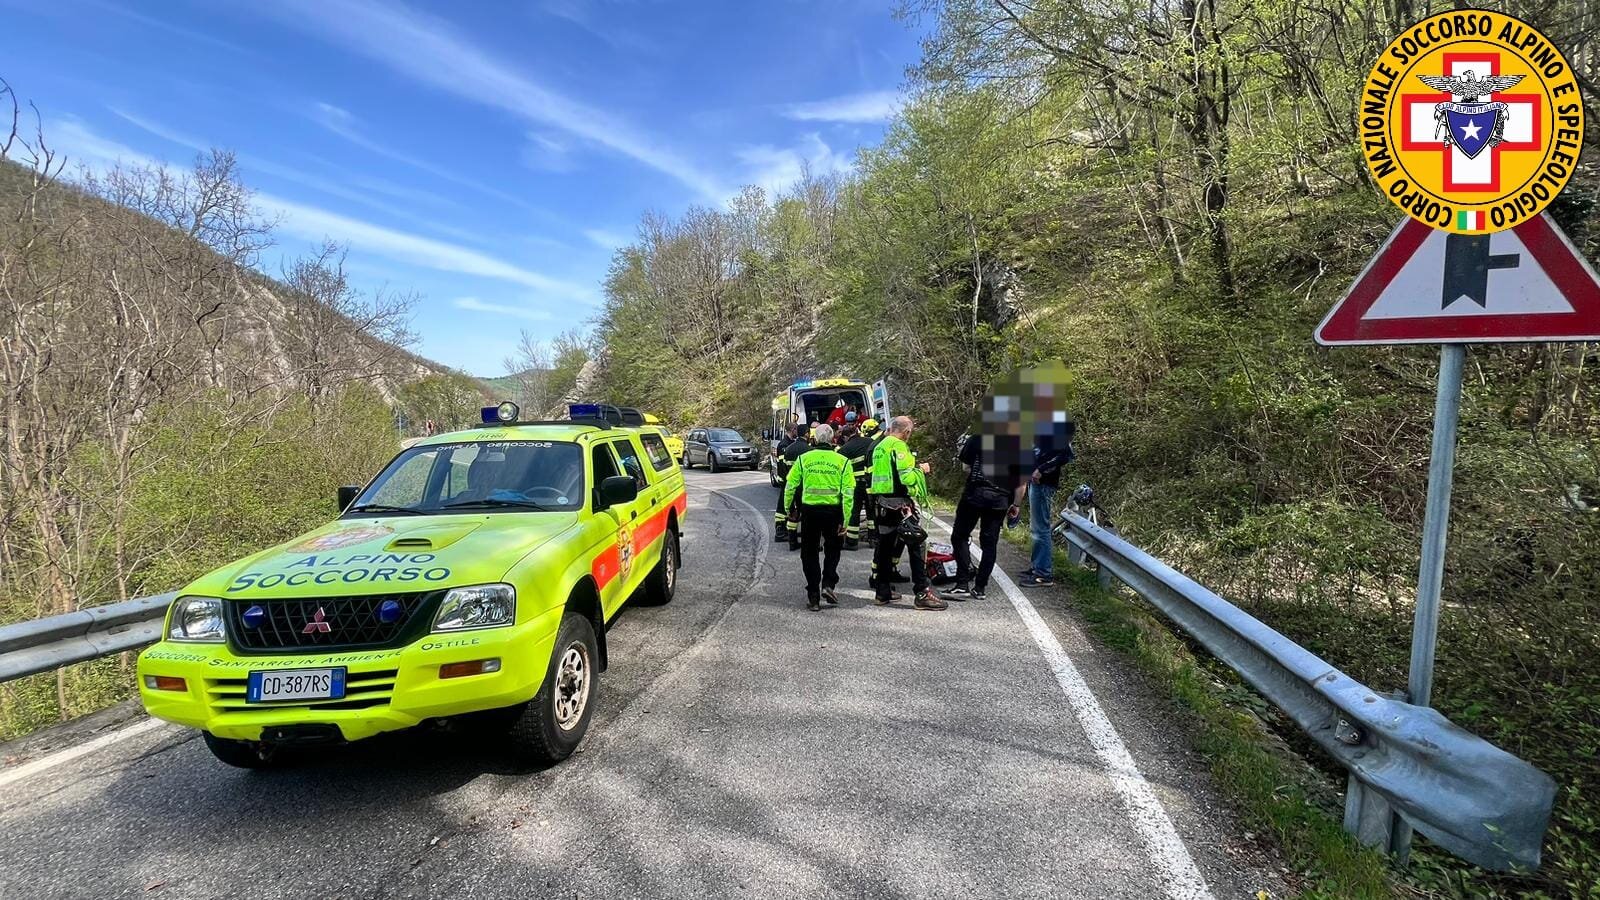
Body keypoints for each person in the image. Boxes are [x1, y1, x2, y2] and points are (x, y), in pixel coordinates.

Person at [868, 416, 944, 611]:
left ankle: (882, 591)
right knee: (917, 545)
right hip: (899, 505)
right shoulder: (899, 446)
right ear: (906, 432)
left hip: (881, 503)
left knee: (885, 548)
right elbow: (906, 477)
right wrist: (921, 469)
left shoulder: (879, 447)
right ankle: (922, 591)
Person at [944, 431, 1026, 601]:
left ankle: (962, 584)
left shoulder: (979, 438)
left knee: (960, 536)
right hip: (1000, 499)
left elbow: (966, 467)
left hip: (975, 494)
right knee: (989, 543)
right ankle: (980, 587)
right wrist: (1016, 505)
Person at [783, 423, 853, 611]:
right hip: (834, 512)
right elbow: (848, 493)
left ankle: (813, 594)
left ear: (814, 438)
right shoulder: (843, 461)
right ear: (833, 439)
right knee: (833, 549)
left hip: (810, 512)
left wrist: (788, 508)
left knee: (809, 552)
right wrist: (845, 520)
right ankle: (828, 584)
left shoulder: (804, 459)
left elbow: (790, 486)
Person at [1019, 422, 1076, 587]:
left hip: (1044, 483)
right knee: (1036, 527)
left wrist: (1042, 469)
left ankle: (1043, 573)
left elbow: (1066, 454)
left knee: (1041, 529)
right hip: (1036, 482)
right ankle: (1037, 566)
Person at [834, 419, 877, 551]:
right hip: (871, 483)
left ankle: (852, 541)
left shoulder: (844, 449)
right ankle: (874, 539)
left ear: (846, 437)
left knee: (854, 512)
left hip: (856, 485)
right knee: (871, 512)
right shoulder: (871, 442)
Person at [781, 424, 812, 550]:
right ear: (806, 434)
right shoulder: (809, 451)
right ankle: (806, 542)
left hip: (792, 486)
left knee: (792, 514)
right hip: (804, 488)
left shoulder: (789, 449)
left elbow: (784, 469)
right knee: (805, 516)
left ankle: (792, 541)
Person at [773, 424, 800, 542]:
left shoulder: (789, 443)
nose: (797, 432)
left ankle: (788, 531)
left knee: (788, 506)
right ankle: (780, 532)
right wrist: (787, 479)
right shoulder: (784, 445)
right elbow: (783, 465)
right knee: (783, 508)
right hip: (786, 480)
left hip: (788, 480)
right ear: (792, 430)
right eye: (796, 430)